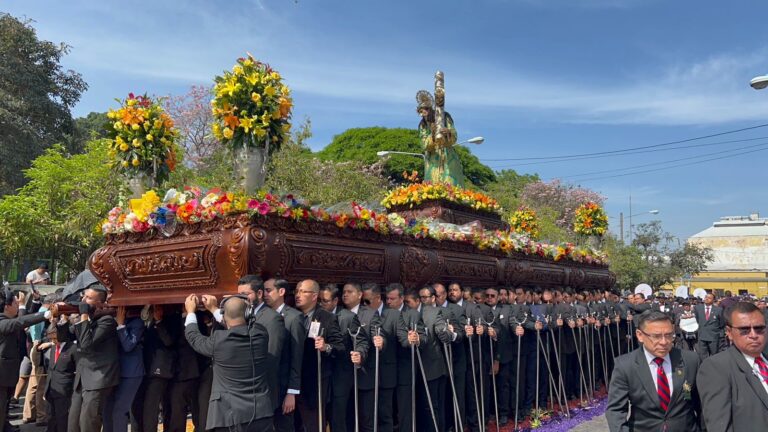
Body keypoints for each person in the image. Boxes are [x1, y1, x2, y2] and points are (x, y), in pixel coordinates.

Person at [184, 293, 274, 431]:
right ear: (248, 314)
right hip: (260, 412)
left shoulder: (218, 340)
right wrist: (215, 309)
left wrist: (190, 312)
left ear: (224, 316)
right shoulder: (261, 334)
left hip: (228, 416)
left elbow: (194, 337)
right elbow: (240, 323)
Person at [606, 310, 702, 431]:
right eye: (656, 336)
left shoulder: (690, 360)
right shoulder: (625, 365)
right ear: (640, 335)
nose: (664, 342)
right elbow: (616, 410)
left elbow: (701, 403)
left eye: (668, 335)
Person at [697, 302, 768, 430]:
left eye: (759, 328)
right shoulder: (716, 368)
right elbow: (719, 426)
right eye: (744, 330)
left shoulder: (765, 360)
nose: (753, 335)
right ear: (729, 332)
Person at [66, 285, 120, 432]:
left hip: (98, 377)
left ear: (100, 303)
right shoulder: (88, 318)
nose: (83, 301)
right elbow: (63, 336)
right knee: (73, 423)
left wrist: (83, 317)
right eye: (84, 296)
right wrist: (62, 320)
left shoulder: (107, 321)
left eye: (89, 298)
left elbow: (86, 344)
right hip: (82, 377)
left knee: (88, 423)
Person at [293, 279, 345, 432]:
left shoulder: (327, 318)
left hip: (315, 382)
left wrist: (326, 347)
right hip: (293, 379)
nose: (298, 295)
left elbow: (340, 348)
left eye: (303, 291)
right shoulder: (291, 315)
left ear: (314, 296)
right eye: (296, 291)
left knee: (313, 424)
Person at [0, 290, 49, 430]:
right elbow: (20, 322)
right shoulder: (2, 323)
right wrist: (45, 315)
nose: (18, 305)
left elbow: (21, 320)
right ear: (6, 306)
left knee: (5, 404)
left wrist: (31, 303)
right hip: (2, 375)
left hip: (8, 375)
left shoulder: (8, 320)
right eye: (15, 303)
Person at [264, 278, 306, 432]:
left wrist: (291, 392)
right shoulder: (262, 315)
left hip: (284, 387)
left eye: (269, 290)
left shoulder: (293, 317)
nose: (265, 294)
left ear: (281, 292)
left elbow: (297, 357)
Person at [363, 283, 399, 432]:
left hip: (386, 372)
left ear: (378, 298)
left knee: (385, 414)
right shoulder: (362, 313)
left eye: (367, 301)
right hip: (366, 373)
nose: (364, 304)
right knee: (367, 415)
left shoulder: (392, 314)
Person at [102, 306, 145, 432]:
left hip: (131, 373)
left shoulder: (137, 322)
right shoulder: (109, 322)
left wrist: (120, 325)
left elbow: (128, 345)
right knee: (107, 409)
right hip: (114, 371)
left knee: (119, 410)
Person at [40, 321, 76, 432]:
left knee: (62, 420)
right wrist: (46, 390)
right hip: (51, 389)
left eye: (54, 339)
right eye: (50, 339)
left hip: (64, 390)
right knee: (51, 418)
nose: (52, 342)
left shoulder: (72, 349)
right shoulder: (53, 348)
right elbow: (50, 369)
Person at [694, 293, 724, 359]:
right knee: (702, 355)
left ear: (713, 300)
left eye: (709, 298)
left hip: (713, 336)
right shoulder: (698, 308)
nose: (707, 299)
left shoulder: (718, 310)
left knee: (714, 355)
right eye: (706, 297)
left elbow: (721, 323)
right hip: (702, 335)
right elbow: (697, 320)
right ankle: (704, 367)